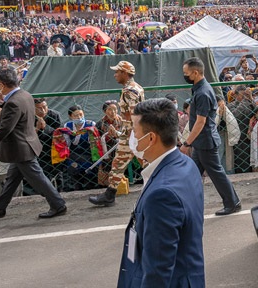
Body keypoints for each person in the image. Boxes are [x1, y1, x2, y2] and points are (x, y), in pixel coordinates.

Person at [117, 98, 205, 288]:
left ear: (150, 138)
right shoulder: (186, 164)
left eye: (134, 129)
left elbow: (158, 270)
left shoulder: (162, 195)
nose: (131, 134)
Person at [0, 68, 66, 219]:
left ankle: (58, 204)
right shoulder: (24, 95)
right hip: (25, 144)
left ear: (2, 85)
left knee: (38, 178)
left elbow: (4, 129)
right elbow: (14, 117)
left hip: (20, 147)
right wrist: (2, 102)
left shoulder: (13, 102)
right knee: (12, 178)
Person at [180, 57, 241, 215]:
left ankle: (232, 203)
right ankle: (186, 204)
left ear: (195, 72)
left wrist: (187, 143)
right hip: (202, 142)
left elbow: (200, 122)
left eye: (186, 73)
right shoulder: (199, 89)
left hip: (205, 142)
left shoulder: (203, 92)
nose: (184, 76)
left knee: (217, 174)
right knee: (193, 173)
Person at [89, 61, 145, 206]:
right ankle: (110, 194)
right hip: (132, 132)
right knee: (119, 163)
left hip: (133, 132)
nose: (115, 75)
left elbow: (134, 113)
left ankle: (162, 188)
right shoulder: (136, 87)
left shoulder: (129, 91)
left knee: (144, 163)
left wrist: (134, 135)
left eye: (117, 72)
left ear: (125, 74)